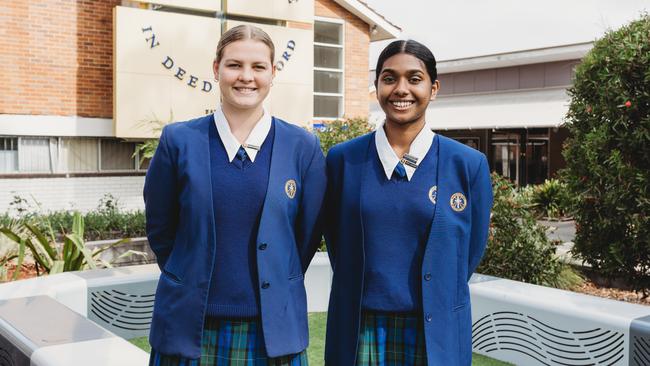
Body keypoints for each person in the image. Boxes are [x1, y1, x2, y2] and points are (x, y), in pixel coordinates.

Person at [144, 24, 326, 365]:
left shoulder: (303, 147)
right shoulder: (178, 141)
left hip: (273, 330)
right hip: (189, 326)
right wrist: (189, 272)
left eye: (258, 67)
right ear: (217, 69)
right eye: (234, 65)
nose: (246, 77)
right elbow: (160, 228)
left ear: (273, 72)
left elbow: (306, 237)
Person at [323, 39, 493, 365]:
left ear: (434, 87)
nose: (401, 89)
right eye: (389, 78)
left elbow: (469, 251)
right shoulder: (344, 160)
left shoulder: (467, 164)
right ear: (377, 87)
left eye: (414, 79)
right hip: (360, 326)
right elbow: (335, 240)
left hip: (435, 328)